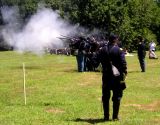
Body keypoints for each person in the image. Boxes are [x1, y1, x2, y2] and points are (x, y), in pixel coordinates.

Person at [92, 34, 127, 121]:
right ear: (116, 40)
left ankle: (106, 117)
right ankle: (115, 117)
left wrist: (99, 67)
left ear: (109, 40)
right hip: (117, 77)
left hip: (106, 76)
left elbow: (94, 60)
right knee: (117, 97)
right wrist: (124, 73)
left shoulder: (102, 50)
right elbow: (123, 63)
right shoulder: (119, 50)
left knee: (106, 96)